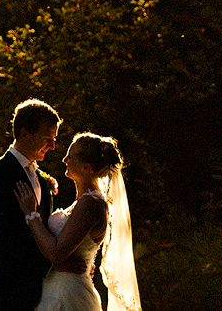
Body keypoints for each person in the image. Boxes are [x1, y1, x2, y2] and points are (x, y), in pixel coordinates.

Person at [13, 132, 141, 311]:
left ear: (86, 168)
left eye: (70, 156)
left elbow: (56, 253)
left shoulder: (90, 203)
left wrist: (31, 214)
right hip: (58, 289)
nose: (64, 159)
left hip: (69, 295)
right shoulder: (83, 202)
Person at [0, 99, 62, 311]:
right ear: (24, 134)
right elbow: (1, 237)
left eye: (54, 139)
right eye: (47, 139)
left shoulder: (41, 178)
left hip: (35, 291)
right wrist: (54, 262)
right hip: (1, 290)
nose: (52, 146)